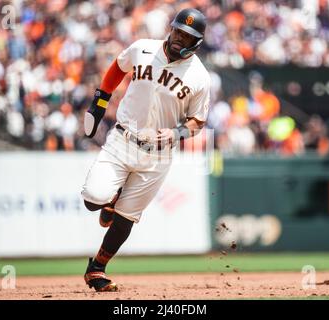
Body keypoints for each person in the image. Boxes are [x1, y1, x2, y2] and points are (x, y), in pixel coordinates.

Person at [81, 8, 210, 292]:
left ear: (197, 42)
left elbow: (198, 122)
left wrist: (177, 132)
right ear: (171, 28)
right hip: (123, 139)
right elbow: (118, 66)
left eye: (187, 36)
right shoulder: (143, 49)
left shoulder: (199, 77)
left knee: (127, 218)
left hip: (158, 154)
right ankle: (110, 198)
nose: (179, 38)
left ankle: (97, 269)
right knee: (92, 198)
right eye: (178, 30)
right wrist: (100, 101)